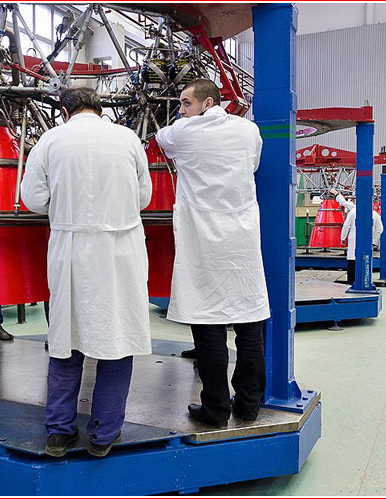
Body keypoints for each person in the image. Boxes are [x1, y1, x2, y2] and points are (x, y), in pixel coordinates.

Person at [21, 87, 152, 457]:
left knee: (67, 339)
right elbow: (143, 197)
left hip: (71, 251)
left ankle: (59, 432)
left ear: (66, 111)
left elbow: (33, 200)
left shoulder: (50, 140)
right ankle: (104, 434)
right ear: (99, 109)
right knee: (117, 341)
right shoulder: (128, 139)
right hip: (120, 252)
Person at [155, 79, 269, 428]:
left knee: (208, 327)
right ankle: (248, 405)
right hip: (241, 240)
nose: (181, 110)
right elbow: (253, 165)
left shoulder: (183, 132)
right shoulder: (249, 131)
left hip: (203, 242)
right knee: (249, 324)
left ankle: (215, 410)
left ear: (208, 103)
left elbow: (160, 138)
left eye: (186, 103)